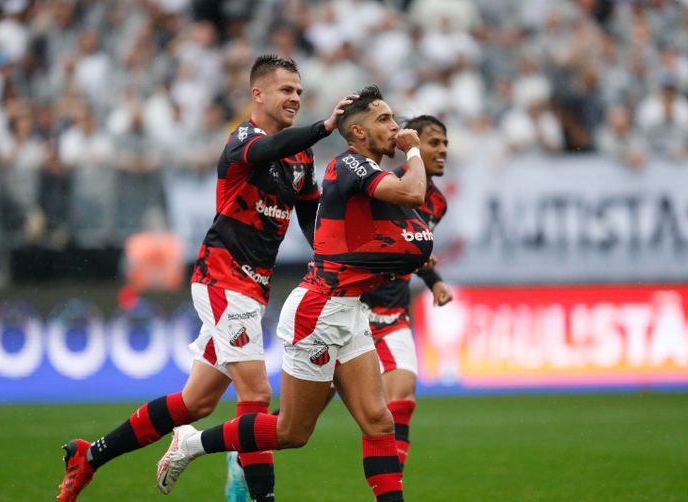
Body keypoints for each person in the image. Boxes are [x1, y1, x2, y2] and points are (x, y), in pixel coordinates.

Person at [57, 54, 356, 502]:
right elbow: (264, 151)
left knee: (195, 403)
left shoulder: (301, 156)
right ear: (258, 94)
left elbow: (311, 220)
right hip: (222, 278)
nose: (295, 97)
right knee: (255, 393)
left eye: (299, 90)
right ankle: (261, 498)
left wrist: (339, 258)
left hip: (252, 287)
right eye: (285, 90)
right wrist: (324, 126)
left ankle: (90, 455)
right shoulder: (243, 139)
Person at [155, 85, 432, 502]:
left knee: (379, 422)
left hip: (349, 310)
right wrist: (414, 151)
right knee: (290, 433)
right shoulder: (351, 165)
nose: (396, 129)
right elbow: (413, 194)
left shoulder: (372, 179)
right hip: (318, 312)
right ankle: (192, 444)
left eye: (395, 120)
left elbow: (411, 233)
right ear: (356, 132)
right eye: (385, 120)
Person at [360, 114, 453, 471]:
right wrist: (407, 258)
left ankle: (391, 491)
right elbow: (369, 244)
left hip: (394, 315)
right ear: (412, 147)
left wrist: (435, 281)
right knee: (295, 423)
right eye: (434, 143)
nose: (442, 150)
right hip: (353, 310)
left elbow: (418, 250)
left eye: (445, 143)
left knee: (401, 403)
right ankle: (241, 451)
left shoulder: (437, 203)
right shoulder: (386, 188)